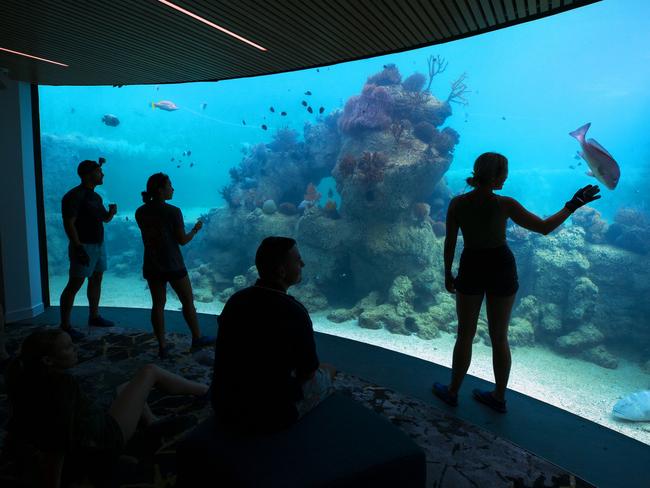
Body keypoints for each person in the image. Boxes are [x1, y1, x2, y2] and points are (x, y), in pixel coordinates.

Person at [433, 152, 600, 413]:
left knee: (464, 334)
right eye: (504, 173)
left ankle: (453, 391)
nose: (507, 177)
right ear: (497, 176)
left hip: (472, 266)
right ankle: (498, 397)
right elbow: (544, 227)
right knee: (500, 337)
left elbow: (451, 241)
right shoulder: (505, 204)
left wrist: (447, 273)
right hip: (501, 267)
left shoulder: (458, 204)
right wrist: (571, 206)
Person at [3, 328, 209, 487]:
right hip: (106, 439)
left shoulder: (23, 379)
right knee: (150, 371)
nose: (75, 348)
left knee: (126, 387)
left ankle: (152, 421)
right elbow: (58, 440)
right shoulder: (62, 385)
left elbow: (20, 423)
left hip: (90, 432)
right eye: (67, 347)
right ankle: (209, 391)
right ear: (48, 360)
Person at [211, 236, 337, 435]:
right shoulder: (295, 311)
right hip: (270, 416)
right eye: (297, 259)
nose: (302, 263)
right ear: (281, 270)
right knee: (328, 370)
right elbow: (308, 372)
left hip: (223, 405)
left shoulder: (236, 300)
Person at [135, 173, 215, 358]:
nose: (173, 188)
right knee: (187, 301)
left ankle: (162, 346)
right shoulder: (173, 211)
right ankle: (197, 338)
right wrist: (195, 230)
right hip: (173, 264)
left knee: (158, 305)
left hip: (152, 264)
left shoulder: (140, 212)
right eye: (170, 185)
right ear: (160, 189)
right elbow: (182, 240)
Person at [60, 158, 117, 341]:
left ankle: (94, 316)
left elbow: (104, 219)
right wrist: (77, 247)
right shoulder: (74, 196)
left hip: (99, 245)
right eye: (99, 171)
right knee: (74, 284)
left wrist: (111, 213)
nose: (103, 174)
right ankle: (65, 325)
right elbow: (69, 223)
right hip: (83, 245)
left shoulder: (96, 197)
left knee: (97, 278)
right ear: (87, 174)